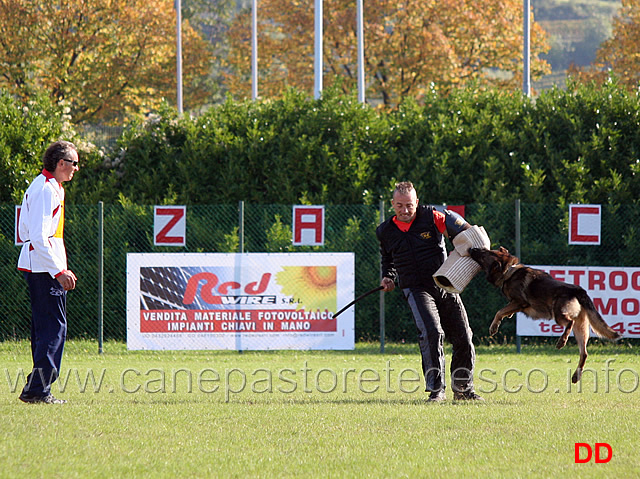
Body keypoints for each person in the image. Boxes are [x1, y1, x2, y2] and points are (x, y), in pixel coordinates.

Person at [376, 181, 482, 402]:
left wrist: (467, 246)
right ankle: (437, 390)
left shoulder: (433, 217)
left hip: (445, 283)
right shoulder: (385, 231)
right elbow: (388, 258)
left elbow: (465, 233)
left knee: (464, 335)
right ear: (392, 205)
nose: (405, 210)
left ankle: (463, 390)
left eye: (409, 205)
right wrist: (388, 276)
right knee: (432, 333)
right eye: (399, 206)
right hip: (415, 289)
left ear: (417, 202)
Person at [17, 140, 79, 404]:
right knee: (54, 328)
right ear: (61, 163)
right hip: (44, 268)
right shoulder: (45, 189)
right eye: (74, 163)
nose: (77, 168)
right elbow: (40, 238)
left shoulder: (49, 186)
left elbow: (23, 232)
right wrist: (59, 271)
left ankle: (37, 389)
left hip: (40, 265)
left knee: (46, 329)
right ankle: (38, 390)